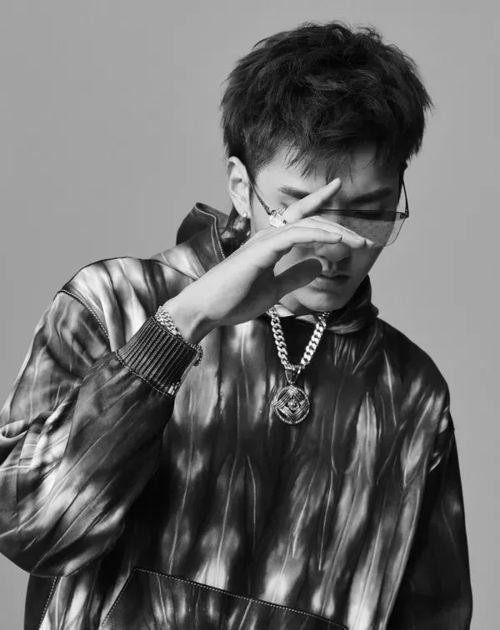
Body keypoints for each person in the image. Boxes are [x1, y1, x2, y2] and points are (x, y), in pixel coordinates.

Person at [0, 20, 472, 630]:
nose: (338, 245)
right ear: (240, 187)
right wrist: (181, 325)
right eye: (302, 211)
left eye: (369, 214)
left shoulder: (409, 390)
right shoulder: (114, 304)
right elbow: (31, 529)